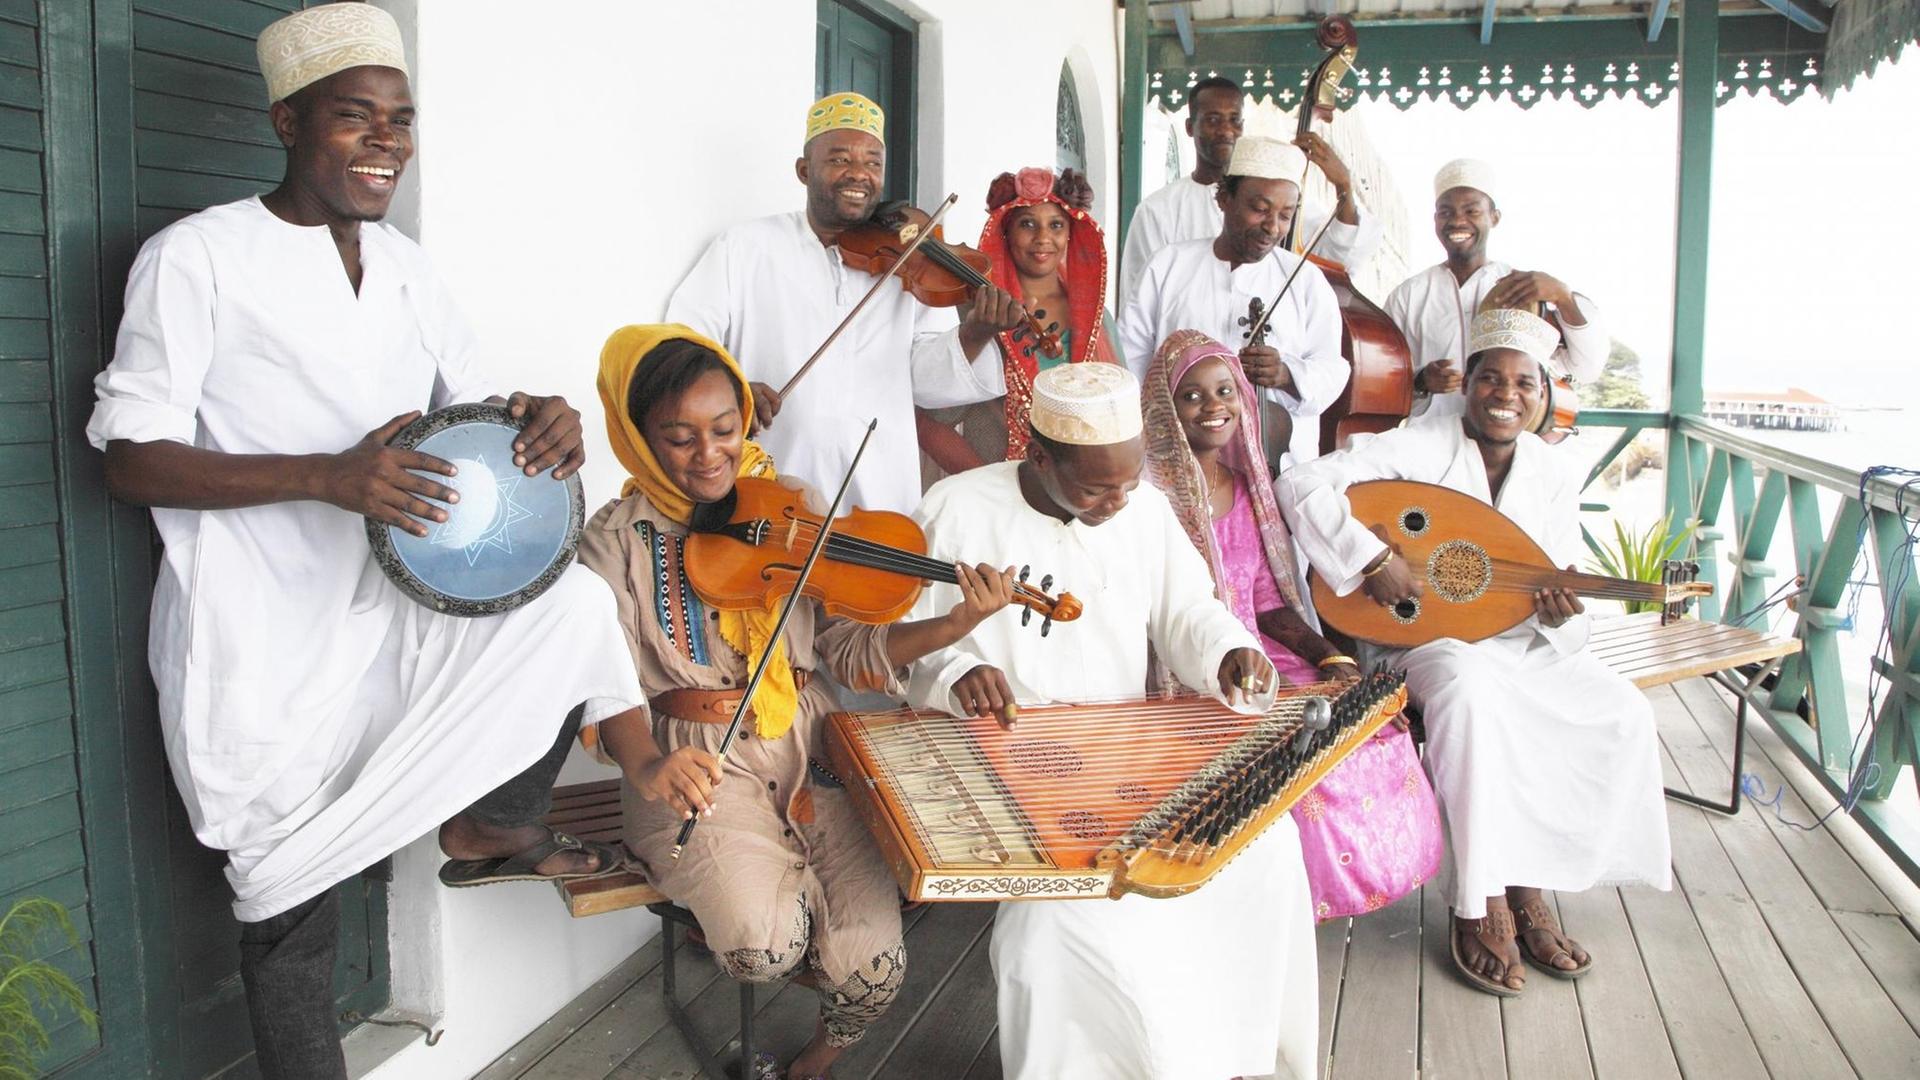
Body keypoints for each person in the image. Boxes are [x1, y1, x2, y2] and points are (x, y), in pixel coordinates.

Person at [84, 7, 642, 1076]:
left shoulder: (404, 268)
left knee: (572, 608)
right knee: (290, 902)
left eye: (401, 120)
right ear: (289, 122)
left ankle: (493, 825)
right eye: (355, 118)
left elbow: (471, 407)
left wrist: (538, 422)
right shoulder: (197, 257)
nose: (387, 140)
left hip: (398, 622)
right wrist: (327, 477)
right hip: (259, 635)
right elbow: (128, 457)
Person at [578, 324, 1024, 1078]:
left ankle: (817, 1057)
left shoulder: (789, 506)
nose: (710, 454)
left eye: (725, 429)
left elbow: (851, 649)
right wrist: (649, 761)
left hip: (809, 743)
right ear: (636, 437)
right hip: (692, 758)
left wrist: (951, 623)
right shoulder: (614, 540)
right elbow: (602, 677)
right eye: (678, 437)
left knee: (876, 964)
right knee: (765, 947)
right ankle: (769, 896)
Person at [903, 363, 1318, 1080]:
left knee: (1266, 846)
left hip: (1128, 750)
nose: (1118, 502)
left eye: (1129, 481)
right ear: (1038, 457)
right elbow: (907, 643)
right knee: (1051, 927)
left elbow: (1188, 611)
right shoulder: (955, 510)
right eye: (1096, 487)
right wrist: (955, 673)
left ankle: (1227, 1057)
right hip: (1014, 757)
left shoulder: (1143, 509)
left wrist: (1227, 654)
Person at [1279, 307, 1671, 997]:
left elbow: (1557, 587)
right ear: (1470, 383)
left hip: (1519, 643)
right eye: (1492, 378)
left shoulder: (1551, 473)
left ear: (1544, 394)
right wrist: (1370, 558)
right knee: (1466, 688)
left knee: (1621, 710)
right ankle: (1480, 900)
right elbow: (1299, 484)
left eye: (1525, 383)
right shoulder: (1419, 443)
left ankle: (1528, 882)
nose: (1506, 395)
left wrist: (1556, 616)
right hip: (1424, 643)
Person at [1142, 329, 1443, 921]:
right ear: (1164, 409)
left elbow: (1268, 603)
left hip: (1267, 654)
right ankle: (1263, 907)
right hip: (1187, 663)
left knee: (1365, 726)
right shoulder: (1144, 497)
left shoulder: (1250, 491)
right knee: (1278, 758)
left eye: (1226, 390)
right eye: (1192, 396)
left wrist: (1329, 656)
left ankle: (1319, 900)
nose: (1214, 407)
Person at [667, 92, 1024, 513]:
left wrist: (974, 333)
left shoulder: (911, 263)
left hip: (879, 484)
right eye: (839, 160)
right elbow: (685, 343)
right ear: (804, 170)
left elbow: (926, 383)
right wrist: (734, 388)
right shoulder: (745, 247)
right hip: (772, 477)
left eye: (873, 163)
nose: (859, 174)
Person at [1120, 136, 1347, 465]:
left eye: (1285, 215)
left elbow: (1332, 369)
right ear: (1224, 198)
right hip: (1177, 455)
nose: (1272, 227)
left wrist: (1286, 374)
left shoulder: (1306, 279)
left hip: (1276, 462)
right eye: (1259, 209)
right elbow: (1132, 355)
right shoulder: (1168, 264)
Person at [916, 166, 1123, 476]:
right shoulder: (978, 314)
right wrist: (993, 488)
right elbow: (930, 424)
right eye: (1027, 224)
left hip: (1084, 491)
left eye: (1056, 225)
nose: (1043, 238)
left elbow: (1120, 408)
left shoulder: (1095, 316)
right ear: (1005, 232)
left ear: (1070, 233)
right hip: (999, 494)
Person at [1117, 75, 1380, 305]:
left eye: (1234, 120)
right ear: (1189, 127)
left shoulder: (1277, 202)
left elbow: (1341, 256)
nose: (1226, 131)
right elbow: (1138, 298)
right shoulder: (1158, 210)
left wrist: (1343, 184)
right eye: (1213, 120)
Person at [1385, 158, 1608, 427]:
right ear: (1434, 220)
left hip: (1511, 448)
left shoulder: (1524, 288)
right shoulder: (1408, 296)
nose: (1457, 221)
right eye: (1446, 212)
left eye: (1471, 211)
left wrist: (1563, 296)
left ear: (1494, 217)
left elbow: (1586, 368)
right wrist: (1421, 381)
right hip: (1431, 448)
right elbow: (1381, 378)